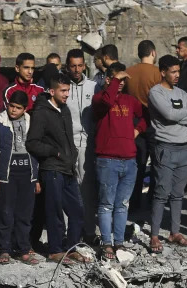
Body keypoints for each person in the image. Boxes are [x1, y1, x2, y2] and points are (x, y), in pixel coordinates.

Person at [26, 72, 90, 265]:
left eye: (68, 90)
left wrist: (69, 157)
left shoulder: (65, 110)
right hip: (52, 169)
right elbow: (32, 143)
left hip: (68, 169)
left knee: (78, 212)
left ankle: (70, 248)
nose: (66, 94)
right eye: (63, 91)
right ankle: (55, 250)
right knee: (54, 213)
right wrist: (55, 152)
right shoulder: (41, 112)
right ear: (52, 91)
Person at [92, 63, 145, 259]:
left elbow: (145, 116)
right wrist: (113, 82)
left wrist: (137, 130)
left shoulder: (130, 101)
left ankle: (119, 242)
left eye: (123, 80)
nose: (120, 83)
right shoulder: (99, 99)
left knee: (122, 205)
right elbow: (106, 102)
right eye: (117, 79)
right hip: (107, 160)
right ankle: (107, 243)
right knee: (106, 205)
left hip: (129, 160)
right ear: (108, 79)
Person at [148, 54, 187, 252]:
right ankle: (154, 235)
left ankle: (174, 232)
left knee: (178, 194)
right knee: (161, 193)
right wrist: (182, 115)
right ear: (163, 72)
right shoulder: (156, 93)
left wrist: (179, 116)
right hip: (166, 148)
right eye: (173, 72)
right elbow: (168, 114)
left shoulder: (182, 93)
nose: (177, 75)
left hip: (184, 148)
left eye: (179, 71)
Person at [0, 90, 40, 265]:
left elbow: (36, 151)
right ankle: (4, 249)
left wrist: (36, 178)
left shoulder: (32, 122)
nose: (13, 110)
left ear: (25, 108)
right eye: (11, 106)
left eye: (18, 108)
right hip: (6, 175)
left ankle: (23, 249)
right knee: (5, 212)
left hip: (28, 174)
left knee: (25, 214)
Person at [62, 49, 98, 241]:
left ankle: (90, 231)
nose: (76, 69)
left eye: (79, 65)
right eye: (73, 66)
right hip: (67, 144)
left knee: (87, 189)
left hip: (88, 145)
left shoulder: (94, 87)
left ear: (84, 65)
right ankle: (71, 233)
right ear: (67, 66)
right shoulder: (62, 86)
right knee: (68, 188)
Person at [126, 40, 162, 213]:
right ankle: (153, 202)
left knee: (137, 165)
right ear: (153, 53)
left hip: (134, 123)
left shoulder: (129, 72)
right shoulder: (157, 73)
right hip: (154, 122)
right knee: (157, 164)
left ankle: (134, 202)